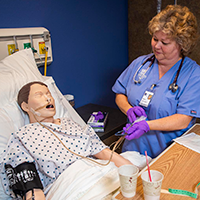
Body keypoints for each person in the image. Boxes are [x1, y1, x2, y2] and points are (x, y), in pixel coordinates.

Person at [0, 81, 132, 200]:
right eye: (39, 95)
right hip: (71, 187)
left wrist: (133, 171)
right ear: (25, 106)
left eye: (48, 93)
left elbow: (103, 152)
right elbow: (31, 188)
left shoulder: (70, 123)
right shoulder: (23, 137)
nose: (48, 98)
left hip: (103, 174)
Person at [112, 5, 200, 159]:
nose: (156, 46)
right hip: (132, 151)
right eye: (155, 39)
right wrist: (129, 110)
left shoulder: (193, 74)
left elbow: (183, 120)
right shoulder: (140, 63)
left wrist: (147, 125)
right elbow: (120, 93)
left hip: (169, 155)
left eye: (164, 43)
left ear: (182, 44)